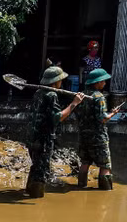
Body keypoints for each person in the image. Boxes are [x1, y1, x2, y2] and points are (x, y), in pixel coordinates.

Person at [25, 66, 84, 198]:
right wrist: (74, 104)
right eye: (60, 80)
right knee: (42, 170)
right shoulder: (51, 95)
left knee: (36, 165)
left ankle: (29, 190)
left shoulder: (39, 92)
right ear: (55, 81)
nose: (61, 82)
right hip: (43, 139)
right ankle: (36, 198)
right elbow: (58, 117)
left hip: (32, 137)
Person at [76, 68, 122, 190]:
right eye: (103, 81)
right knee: (105, 165)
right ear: (97, 82)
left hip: (84, 136)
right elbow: (102, 119)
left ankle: (81, 186)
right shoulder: (99, 97)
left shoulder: (82, 95)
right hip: (98, 137)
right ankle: (105, 191)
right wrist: (113, 113)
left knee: (85, 162)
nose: (105, 83)